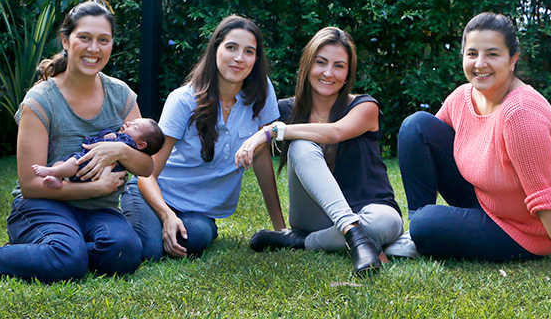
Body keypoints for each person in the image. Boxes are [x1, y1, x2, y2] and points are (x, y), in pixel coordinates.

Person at [0, 1, 154, 283]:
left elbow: (145, 167)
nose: (94, 49)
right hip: (42, 205)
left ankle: (47, 252)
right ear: (65, 41)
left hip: (99, 210)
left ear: (111, 45)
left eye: (103, 40)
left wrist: (117, 149)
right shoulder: (40, 100)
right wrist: (95, 187)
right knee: (70, 260)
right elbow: (31, 186)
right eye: (85, 38)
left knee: (125, 253)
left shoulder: (121, 95)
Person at [396, 12, 551, 278]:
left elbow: (545, 196)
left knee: (426, 223)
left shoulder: (520, 113)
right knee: (415, 125)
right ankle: (413, 236)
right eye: (472, 53)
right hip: (485, 200)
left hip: (521, 230)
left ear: (513, 60)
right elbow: (429, 146)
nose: (480, 63)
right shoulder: (462, 97)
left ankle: (420, 229)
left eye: (493, 54)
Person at [237, 27, 406, 276]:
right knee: (303, 144)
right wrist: (279, 227)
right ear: (307, 66)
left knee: (388, 222)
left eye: (339, 66)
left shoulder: (364, 106)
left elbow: (335, 132)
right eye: (321, 63)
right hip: (314, 216)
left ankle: (304, 241)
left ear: (348, 73)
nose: (329, 73)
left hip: (370, 211)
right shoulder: (284, 111)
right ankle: (358, 239)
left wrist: (273, 131)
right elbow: (261, 158)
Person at [121, 15, 285, 261]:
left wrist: (280, 229)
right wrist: (167, 215)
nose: (239, 58)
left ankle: (164, 227)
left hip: (198, 211)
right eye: (231, 47)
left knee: (194, 239)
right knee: (149, 250)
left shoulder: (262, 92)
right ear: (216, 49)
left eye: (249, 51)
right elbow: (148, 174)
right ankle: (127, 221)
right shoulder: (184, 99)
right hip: (155, 192)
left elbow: (261, 159)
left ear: (256, 59)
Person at [32, 118, 164, 188]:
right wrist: (107, 133)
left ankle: (51, 172)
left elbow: (146, 168)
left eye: (134, 126)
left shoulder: (127, 142)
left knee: (74, 161)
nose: (128, 123)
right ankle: (56, 178)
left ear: (141, 145)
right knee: (61, 163)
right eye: (132, 122)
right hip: (90, 172)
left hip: (91, 165)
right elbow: (103, 133)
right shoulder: (119, 136)